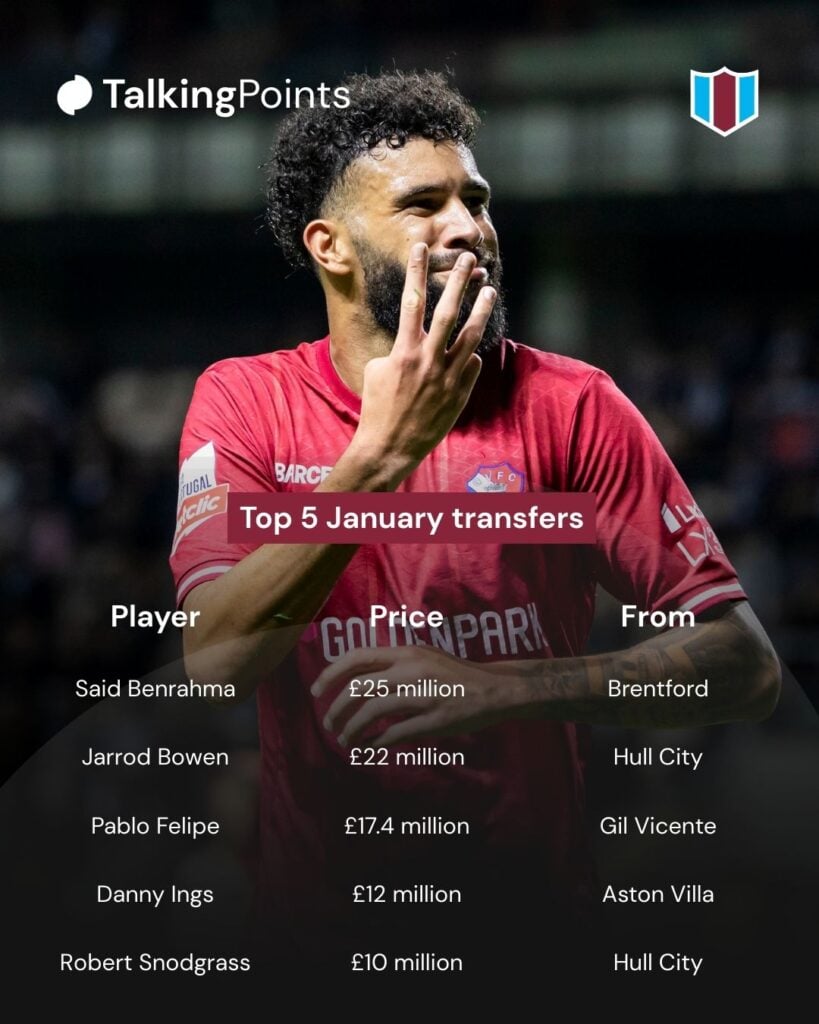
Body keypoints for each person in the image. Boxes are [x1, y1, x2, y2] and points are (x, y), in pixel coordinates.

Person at [169, 70, 780, 979]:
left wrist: (504, 687)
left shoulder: (574, 406)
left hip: (535, 947)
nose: (469, 227)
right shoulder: (244, 402)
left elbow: (746, 667)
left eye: (476, 200)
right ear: (330, 246)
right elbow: (215, 662)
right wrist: (377, 463)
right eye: (423, 204)